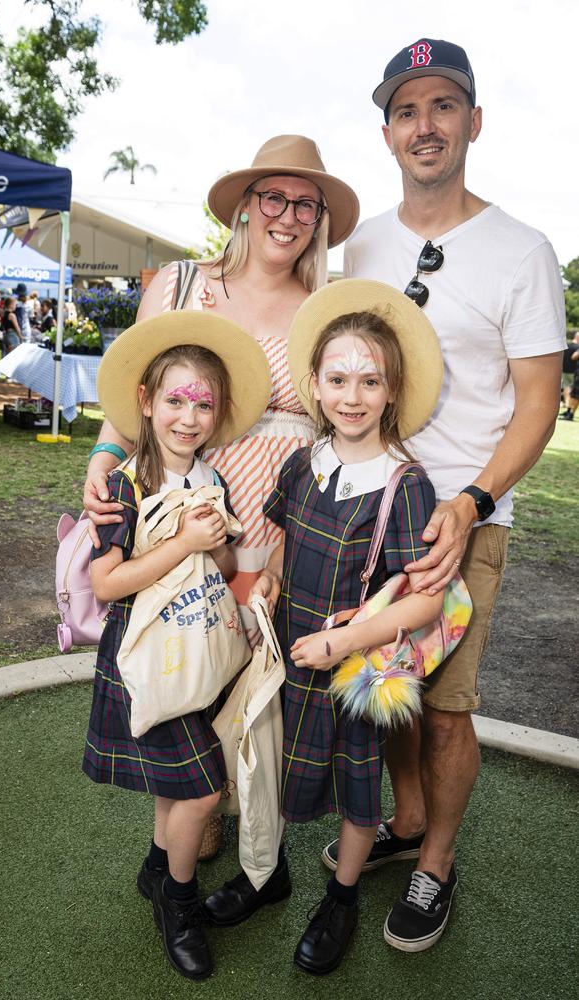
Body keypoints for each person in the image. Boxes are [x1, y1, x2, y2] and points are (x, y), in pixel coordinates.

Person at [320, 38, 566, 952]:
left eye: (443, 106)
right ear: (386, 132)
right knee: (388, 689)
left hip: (464, 518)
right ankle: (410, 817)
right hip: (370, 509)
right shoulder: (367, 242)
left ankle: (437, 866)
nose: (426, 125)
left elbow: (538, 405)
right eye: (407, 110)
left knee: (449, 704)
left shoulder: (523, 250)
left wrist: (472, 501)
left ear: (473, 121)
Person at [82, 134, 358, 861]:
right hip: (183, 525)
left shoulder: (326, 309)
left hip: (272, 533)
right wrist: (105, 454)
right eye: (274, 196)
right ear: (244, 205)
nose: (288, 215)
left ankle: (196, 843)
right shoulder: (178, 284)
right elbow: (131, 393)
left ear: (320, 217)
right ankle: (174, 855)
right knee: (183, 682)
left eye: (306, 202)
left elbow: (329, 443)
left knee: (236, 693)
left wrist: (293, 545)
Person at [204, 280, 446, 973]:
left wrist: (342, 641)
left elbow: (425, 602)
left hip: (349, 670)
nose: (352, 394)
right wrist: (274, 574)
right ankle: (266, 873)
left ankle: (341, 897)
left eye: (371, 381)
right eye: (338, 378)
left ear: (393, 391)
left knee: (358, 785)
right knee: (274, 772)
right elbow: (283, 536)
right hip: (287, 656)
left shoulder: (406, 485)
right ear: (313, 384)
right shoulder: (302, 463)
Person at [82, 310, 271, 981]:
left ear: (218, 416)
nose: (188, 418)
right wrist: (182, 544)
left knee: (177, 787)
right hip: (148, 661)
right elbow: (107, 583)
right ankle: (179, 904)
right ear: (146, 402)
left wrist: (224, 555)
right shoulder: (124, 488)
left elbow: (216, 569)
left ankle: (160, 866)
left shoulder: (211, 480)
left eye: (203, 405)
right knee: (198, 793)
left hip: (200, 653)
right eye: (175, 401)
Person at [560, 332, 579, 420]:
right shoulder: (577, 347)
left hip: (565, 370)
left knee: (568, 389)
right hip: (573, 371)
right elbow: (574, 357)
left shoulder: (566, 345)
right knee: (573, 391)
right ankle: (569, 410)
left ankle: (568, 410)